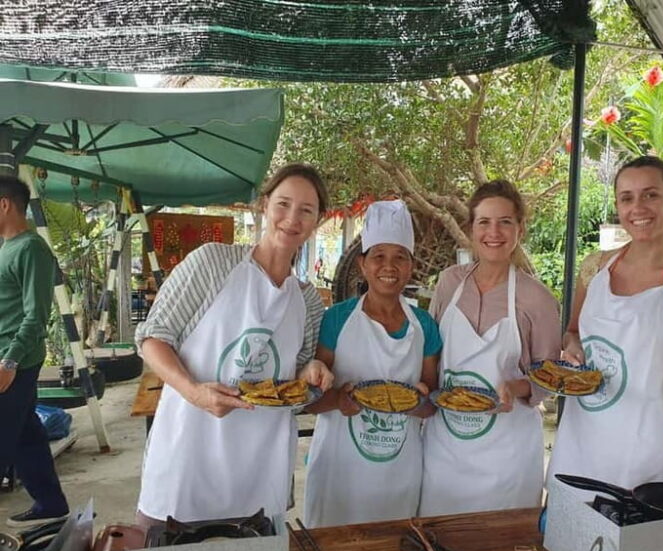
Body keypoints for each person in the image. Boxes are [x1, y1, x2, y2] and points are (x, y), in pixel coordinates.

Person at [134, 163, 334, 526]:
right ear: (264, 205)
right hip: (188, 454)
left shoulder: (308, 300)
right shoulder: (211, 263)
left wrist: (312, 370)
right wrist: (194, 392)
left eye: (306, 210)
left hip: (260, 467)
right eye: (283, 204)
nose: (292, 219)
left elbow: (299, 369)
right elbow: (152, 337)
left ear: (318, 220)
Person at [548, 156, 663, 496]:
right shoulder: (595, 268)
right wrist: (572, 348)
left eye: (650, 195)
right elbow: (573, 331)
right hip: (579, 442)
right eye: (626, 197)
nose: (637, 207)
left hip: (645, 453)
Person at [419, 180, 561, 517]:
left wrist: (516, 386)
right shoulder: (449, 283)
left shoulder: (537, 299)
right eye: (483, 222)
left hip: (506, 458)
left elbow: (551, 377)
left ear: (520, 229)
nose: (493, 232)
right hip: (446, 450)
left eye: (505, 222)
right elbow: (432, 355)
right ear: (471, 228)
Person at [304, 200, 441, 527]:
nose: (388, 266)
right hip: (339, 471)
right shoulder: (336, 319)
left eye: (399, 258)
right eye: (378, 256)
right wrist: (339, 399)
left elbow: (433, 403)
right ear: (363, 264)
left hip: (399, 473)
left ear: (411, 266)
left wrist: (416, 403)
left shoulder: (425, 326)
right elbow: (310, 400)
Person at [0, 174, 70, 527]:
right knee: (26, 433)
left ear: (4, 204)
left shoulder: (31, 250)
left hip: (15, 360)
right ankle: (50, 502)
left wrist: (9, 361)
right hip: (7, 357)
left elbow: (36, 315)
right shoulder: (5, 248)